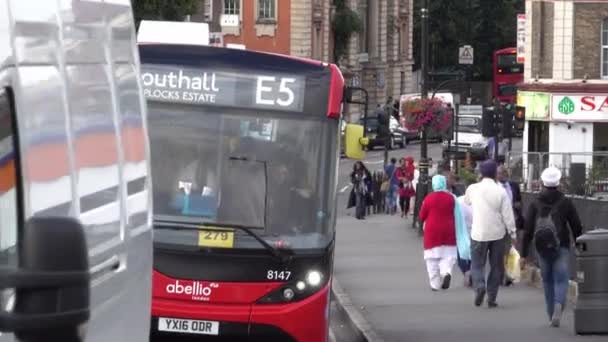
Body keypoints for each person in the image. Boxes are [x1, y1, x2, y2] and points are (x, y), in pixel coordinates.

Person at [520, 166, 583, 328]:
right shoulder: (566, 202)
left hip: (541, 247)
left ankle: (551, 315)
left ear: (542, 182)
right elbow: (576, 225)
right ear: (559, 182)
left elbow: (527, 230)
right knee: (561, 279)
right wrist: (578, 243)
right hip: (560, 244)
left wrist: (524, 254)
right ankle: (559, 304)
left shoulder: (535, 203)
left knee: (547, 281)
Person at [465, 160, 517, 308]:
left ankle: (479, 286)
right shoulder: (501, 190)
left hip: (478, 232)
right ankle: (491, 297)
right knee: (496, 266)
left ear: (481, 173)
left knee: (477, 264)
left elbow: (467, 202)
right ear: (495, 173)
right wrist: (513, 233)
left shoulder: (473, 188)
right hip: (497, 233)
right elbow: (508, 215)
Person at [419, 175, 469, 291]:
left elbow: (422, 215)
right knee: (448, 256)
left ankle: (435, 284)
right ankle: (446, 272)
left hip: (432, 231)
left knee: (431, 259)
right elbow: (457, 214)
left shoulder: (428, 198)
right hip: (448, 230)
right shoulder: (451, 198)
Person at [496, 165, 524, 286]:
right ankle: (502, 274)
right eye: (499, 173)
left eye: (504, 173)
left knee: (511, 249)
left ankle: (509, 274)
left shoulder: (514, 186)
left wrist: (517, 206)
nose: (501, 175)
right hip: (498, 223)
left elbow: (519, 201)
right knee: (499, 250)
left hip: (512, 221)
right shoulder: (494, 187)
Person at [457, 195, 473, 287]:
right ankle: (471, 270)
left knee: (461, 254)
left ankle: (466, 271)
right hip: (476, 231)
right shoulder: (480, 200)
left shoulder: (459, 200)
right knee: (474, 255)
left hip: (461, 232)